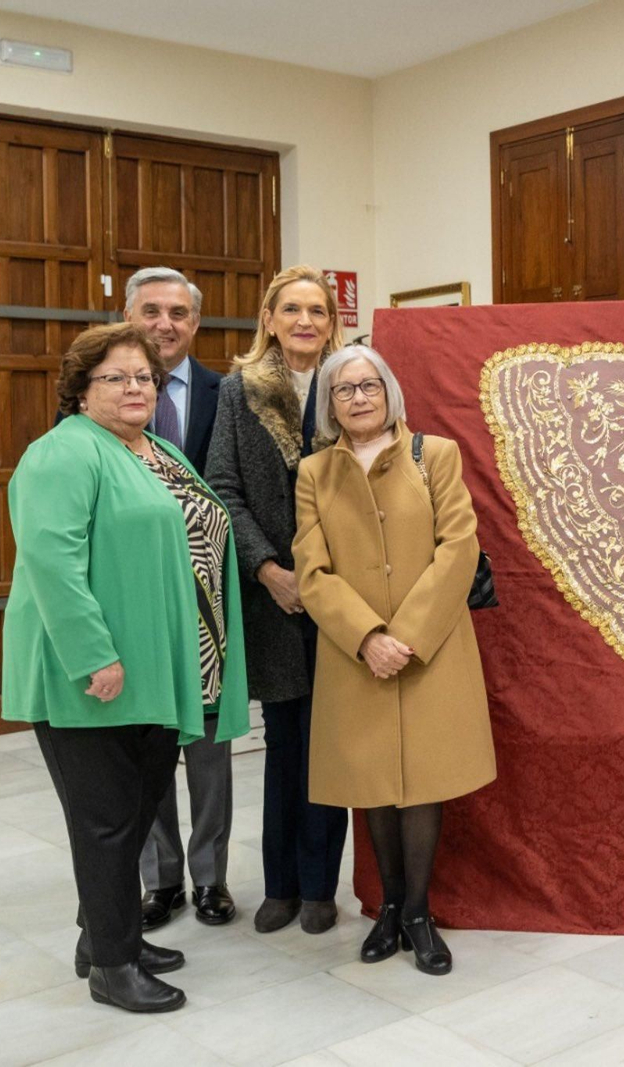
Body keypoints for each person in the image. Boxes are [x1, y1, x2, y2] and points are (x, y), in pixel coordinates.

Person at [2, 322, 250, 1012]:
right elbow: (52, 563)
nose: (136, 386)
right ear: (81, 391)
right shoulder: (63, 453)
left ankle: (105, 935)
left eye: (144, 375)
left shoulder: (156, 449)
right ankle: (113, 966)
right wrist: (94, 656)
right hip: (96, 674)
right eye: (116, 377)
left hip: (155, 670)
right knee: (108, 819)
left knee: (133, 812)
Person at [293, 345, 497, 975]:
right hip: (356, 656)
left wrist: (404, 636)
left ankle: (416, 911)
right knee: (374, 785)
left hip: (428, 650)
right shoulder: (314, 473)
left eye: (369, 385)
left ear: (389, 392)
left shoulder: (434, 455)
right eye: (343, 389)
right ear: (329, 404)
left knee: (424, 784)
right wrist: (366, 638)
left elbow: (459, 547)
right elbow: (312, 569)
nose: (358, 397)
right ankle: (385, 909)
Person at [206, 265, 348, 936]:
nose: (304, 322)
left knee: (333, 740)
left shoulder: (350, 383)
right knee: (284, 739)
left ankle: (321, 885)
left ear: (332, 322)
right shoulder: (238, 391)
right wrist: (266, 567)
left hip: (339, 593)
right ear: (268, 318)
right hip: (271, 597)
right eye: (290, 309)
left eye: (316, 310)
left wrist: (321, 577)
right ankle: (281, 884)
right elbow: (221, 488)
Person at [116, 267, 235, 932]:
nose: (165, 323)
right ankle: (160, 880)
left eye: (179, 313)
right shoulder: (95, 396)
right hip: (137, 605)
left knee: (211, 751)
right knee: (150, 744)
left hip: (210, 604)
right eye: (152, 310)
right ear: (129, 315)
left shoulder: (228, 393)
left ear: (196, 323)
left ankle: (211, 876)